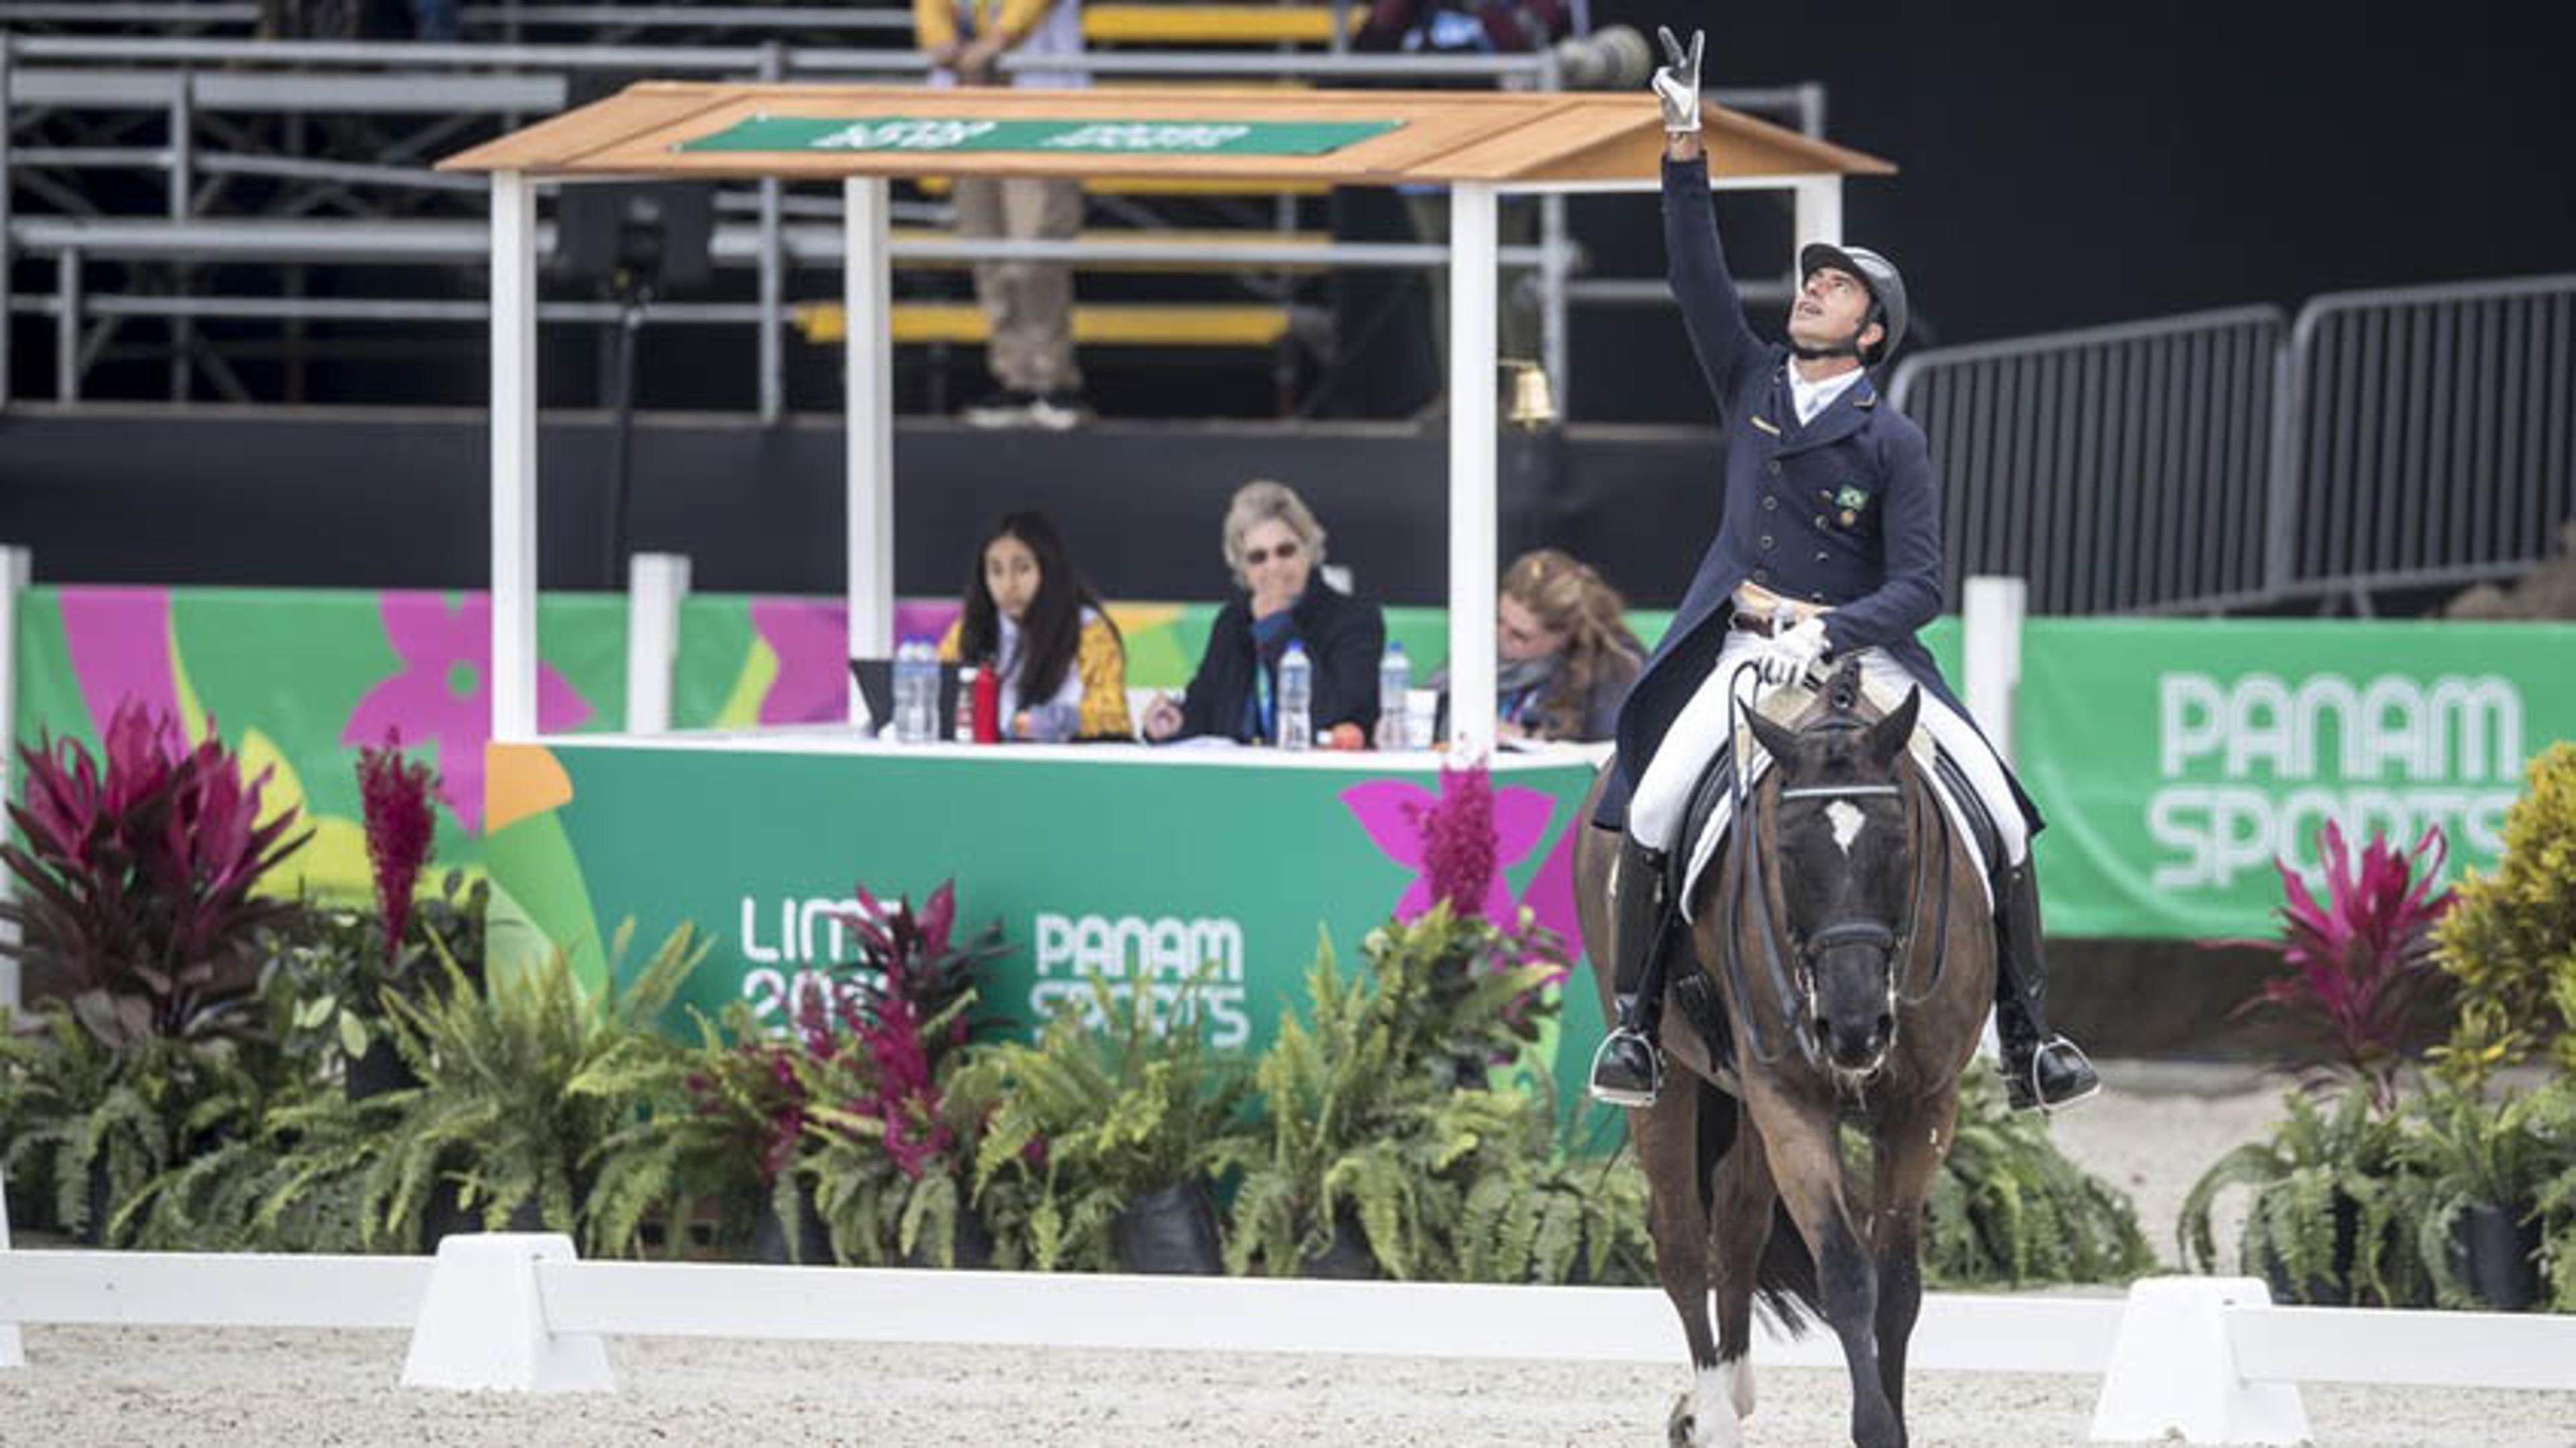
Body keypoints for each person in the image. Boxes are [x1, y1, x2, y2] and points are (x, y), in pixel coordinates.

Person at [1586, 27, 2098, 1115]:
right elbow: (1696, 276)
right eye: (1814, 278)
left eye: (1835, 287)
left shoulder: (1891, 439)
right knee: (1654, 803)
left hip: (1863, 657)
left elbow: (1921, 583)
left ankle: (2033, 1035)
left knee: (2001, 811)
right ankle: (1634, 1028)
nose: (1812, 288)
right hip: (1741, 651)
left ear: (1872, 336)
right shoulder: (1750, 380)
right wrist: (1683, 143)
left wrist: (1833, 624)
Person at [913, 0, 1089, 431]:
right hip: (967, 103)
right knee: (986, 252)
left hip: (1040, 107)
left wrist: (997, 40)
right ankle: (1014, 377)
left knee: (1035, 254)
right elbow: (930, 10)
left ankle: (1054, 379)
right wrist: (941, 42)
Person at [1142, 480, 1387, 746]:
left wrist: (1276, 629)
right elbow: (1205, 706)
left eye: (1285, 551)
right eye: (1258, 558)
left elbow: (1330, 715)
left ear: (1309, 548)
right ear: (1242, 568)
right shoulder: (1233, 621)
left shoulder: (1355, 619)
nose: (1274, 567)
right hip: (1238, 780)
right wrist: (1174, 724)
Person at [939, 510, 1132, 741]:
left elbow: (1114, 716)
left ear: (1048, 570)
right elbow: (940, 698)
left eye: (1023, 569)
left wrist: (1065, 721)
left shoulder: (1089, 631)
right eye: (996, 571)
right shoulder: (968, 630)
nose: (1008, 585)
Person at [1436, 548, 1645, 743]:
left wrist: (1525, 737)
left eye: (1520, 635)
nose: (1501, 637)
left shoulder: (1614, 669)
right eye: (1499, 620)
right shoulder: (1481, 646)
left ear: (1564, 635)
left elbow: (1611, 755)